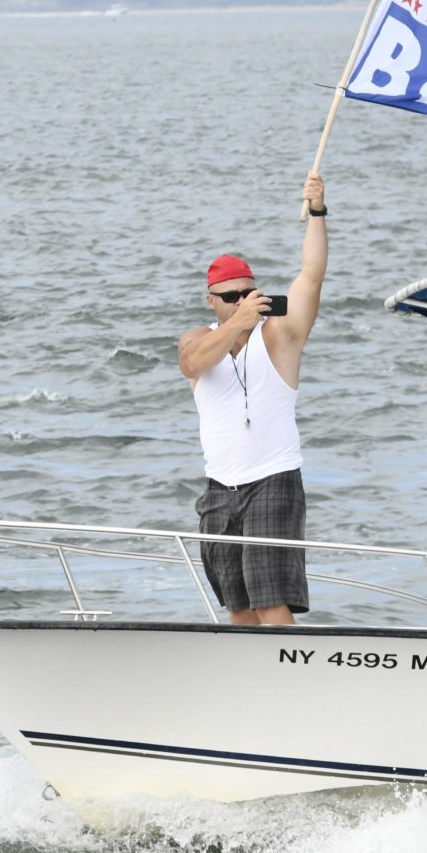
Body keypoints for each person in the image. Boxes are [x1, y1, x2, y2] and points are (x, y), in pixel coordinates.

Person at [179, 171, 327, 626]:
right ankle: (253, 684)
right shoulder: (199, 338)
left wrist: (317, 212)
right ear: (212, 301)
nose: (242, 300)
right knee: (238, 606)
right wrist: (237, 323)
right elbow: (192, 364)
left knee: (270, 601)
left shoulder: (278, 336)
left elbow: (312, 276)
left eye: (248, 293)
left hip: (273, 477)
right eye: (230, 297)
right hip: (220, 487)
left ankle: (292, 683)